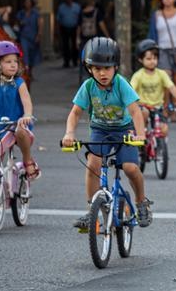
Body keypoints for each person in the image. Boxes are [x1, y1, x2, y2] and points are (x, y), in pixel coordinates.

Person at [60, 37, 152, 230]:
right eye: (97, 68)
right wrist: (69, 133)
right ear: (89, 69)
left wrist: (140, 135)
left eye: (107, 68)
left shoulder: (121, 84)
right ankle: (90, 210)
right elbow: (75, 112)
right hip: (100, 130)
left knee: (130, 168)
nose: (102, 73)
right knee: (93, 164)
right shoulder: (88, 86)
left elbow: (135, 111)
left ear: (115, 67)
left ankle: (141, 201)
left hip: (123, 130)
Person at [0, 41, 38, 181]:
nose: (14, 64)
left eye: (15, 61)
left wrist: (26, 115)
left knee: (20, 130)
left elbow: (27, 103)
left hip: (17, 126)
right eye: (8, 62)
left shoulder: (19, 83)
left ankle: (27, 159)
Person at [130, 39, 176, 138]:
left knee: (163, 130)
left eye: (155, 58)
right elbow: (130, 90)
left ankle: (160, 147)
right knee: (144, 114)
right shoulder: (138, 75)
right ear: (140, 59)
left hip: (158, 108)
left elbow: (172, 87)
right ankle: (141, 137)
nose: (152, 61)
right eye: (148, 58)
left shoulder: (161, 74)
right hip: (143, 107)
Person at [15, 0, 41, 81]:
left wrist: (39, 35)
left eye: (29, 2)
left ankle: (30, 71)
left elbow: (39, 24)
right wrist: (20, 23)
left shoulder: (36, 13)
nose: (27, 4)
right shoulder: (21, 13)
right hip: (23, 36)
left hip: (33, 36)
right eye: (26, 2)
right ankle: (26, 73)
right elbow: (16, 24)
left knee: (32, 56)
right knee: (25, 54)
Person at [56, 0, 82, 68]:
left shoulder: (77, 6)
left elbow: (80, 18)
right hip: (64, 28)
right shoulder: (61, 7)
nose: (68, 0)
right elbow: (58, 19)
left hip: (74, 28)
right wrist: (57, 30)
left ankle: (74, 61)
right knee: (65, 45)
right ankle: (66, 61)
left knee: (75, 45)